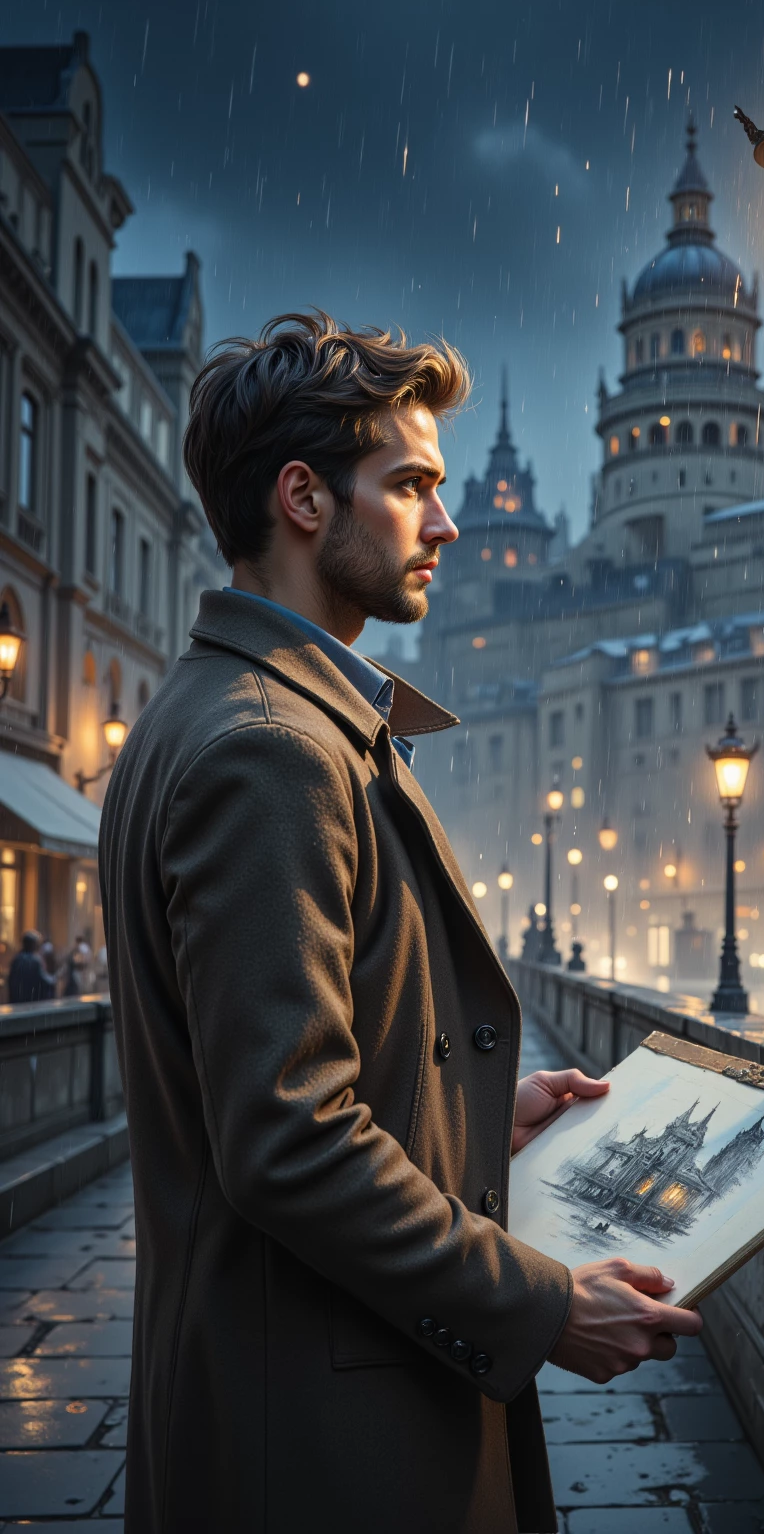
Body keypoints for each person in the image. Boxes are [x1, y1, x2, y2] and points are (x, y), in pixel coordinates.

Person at [99, 314, 700, 1533]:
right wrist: (540, 1307)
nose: (448, 522)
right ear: (304, 499)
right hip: (325, 1437)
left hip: (282, 1393)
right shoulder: (272, 752)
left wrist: (474, 1114)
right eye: (413, 485)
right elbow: (287, 1139)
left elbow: (296, 1065)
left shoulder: (230, 710)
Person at [8, 931, 57, 1004]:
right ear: (33, 944)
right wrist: (55, 979)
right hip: (30, 1003)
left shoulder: (17, 959)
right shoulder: (34, 960)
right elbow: (45, 981)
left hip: (17, 1002)